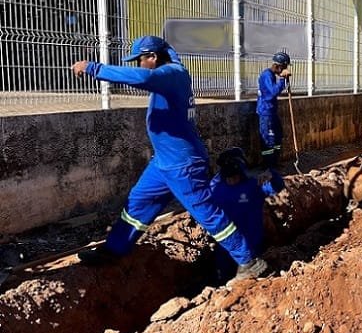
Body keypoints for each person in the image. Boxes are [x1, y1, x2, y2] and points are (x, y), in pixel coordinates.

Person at [70, 35, 267, 281]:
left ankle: (248, 260)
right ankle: (114, 249)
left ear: (152, 57)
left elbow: (143, 78)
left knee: (206, 212)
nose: (138, 65)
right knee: (138, 203)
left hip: (183, 165)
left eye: (140, 60)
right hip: (163, 162)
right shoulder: (169, 75)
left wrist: (92, 68)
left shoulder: (172, 74)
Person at [210, 147, 266, 283]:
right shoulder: (215, 188)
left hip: (250, 243)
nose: (232, 179)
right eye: (230, 177)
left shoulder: (252, 186)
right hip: (229, 246)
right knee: (226, 275)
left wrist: (271, 175)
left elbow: (273, 185)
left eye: (234, 176)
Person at [257, 51, 291, 193]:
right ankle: (268, 168)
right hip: (266, 114)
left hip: (272, 113)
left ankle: (274, 164)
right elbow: (271, 93)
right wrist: (282, 80)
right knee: (269, 142)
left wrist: (286, 81)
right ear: (278, 66)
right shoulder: (266, 75)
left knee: (278, 138)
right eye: (283, 68)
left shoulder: (272, 76)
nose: (284, 70)